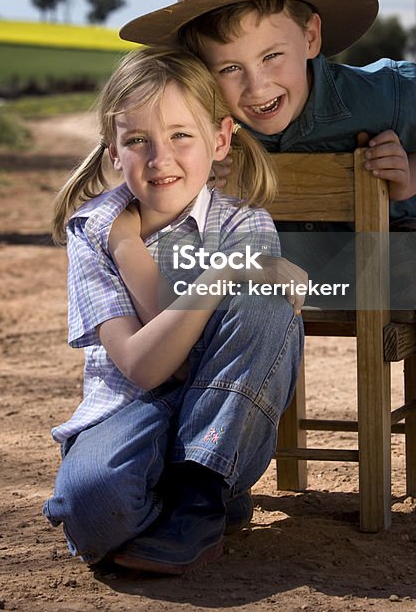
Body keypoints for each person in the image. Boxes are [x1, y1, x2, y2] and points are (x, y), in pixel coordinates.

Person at [120, 0, 416, 509]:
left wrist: (408, 178)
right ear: (201, 70)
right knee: (182, 269)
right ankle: (204, 458)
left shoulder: (382, 94)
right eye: (229, 68)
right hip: (267, 259)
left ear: (312, 37)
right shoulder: (195, 119)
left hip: (387, 248)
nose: (257, 87)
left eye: (272, 57)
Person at [43, 46, 305, 574]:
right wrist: (130, 247)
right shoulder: (95, 231)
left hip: (224, 412)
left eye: (181, 135)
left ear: (220, 138)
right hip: (128, 406)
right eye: (138, 140)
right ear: (113, 152)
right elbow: (146, 366)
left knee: (268, 297)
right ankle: (188, 501)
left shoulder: (243, 226)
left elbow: (198, 359)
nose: (160, 159)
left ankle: (202, 490)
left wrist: (234, 273)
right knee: (92, 508)